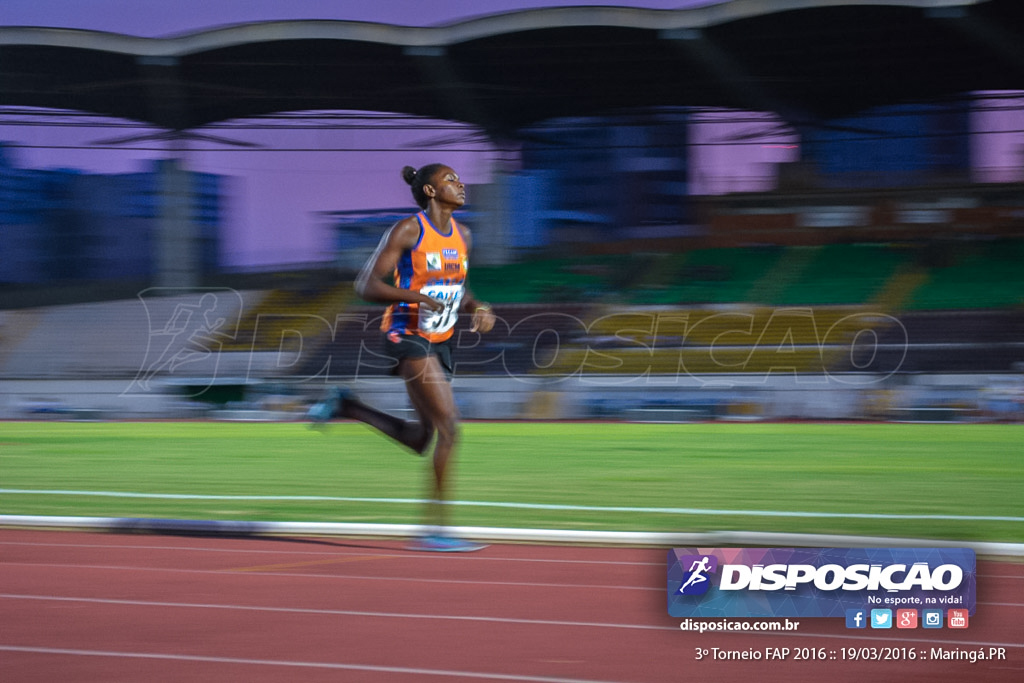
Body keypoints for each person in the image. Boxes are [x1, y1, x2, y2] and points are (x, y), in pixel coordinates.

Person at [309, 163, 495, 552]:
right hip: (407, 334)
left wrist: (478, 305)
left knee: (420, 438)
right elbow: (367, 284)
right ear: (430, 191)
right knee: (450, 429)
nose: (460, 184)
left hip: (440, 339)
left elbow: (458, 287)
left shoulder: (464, 235)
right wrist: (417, 297)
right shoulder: (409, 230)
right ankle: (436, 530)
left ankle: (348, 406)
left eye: (459, 179)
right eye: (450, 180)